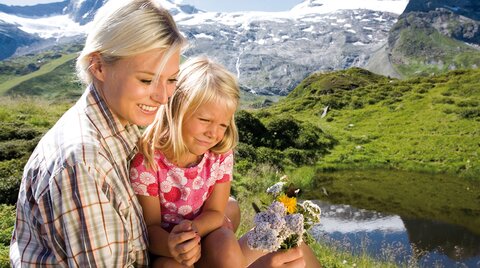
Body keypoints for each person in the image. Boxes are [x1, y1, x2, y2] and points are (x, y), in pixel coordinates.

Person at [9, 0, 186, 266]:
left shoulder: (121, 125)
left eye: (171, 79)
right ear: (98, 66)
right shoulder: (82, 162)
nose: (162, 97)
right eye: (147, 80)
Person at [130, 56, 245, 267]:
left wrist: (191, 234)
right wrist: (175, 246)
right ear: (176, 110)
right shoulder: (148, 162)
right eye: (205, 120)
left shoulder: (219, 155)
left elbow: (215, 214)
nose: (213, 133)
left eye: (223, 124)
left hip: (201, 231)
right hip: (165, 247)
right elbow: (151, 228)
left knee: (227, 242)